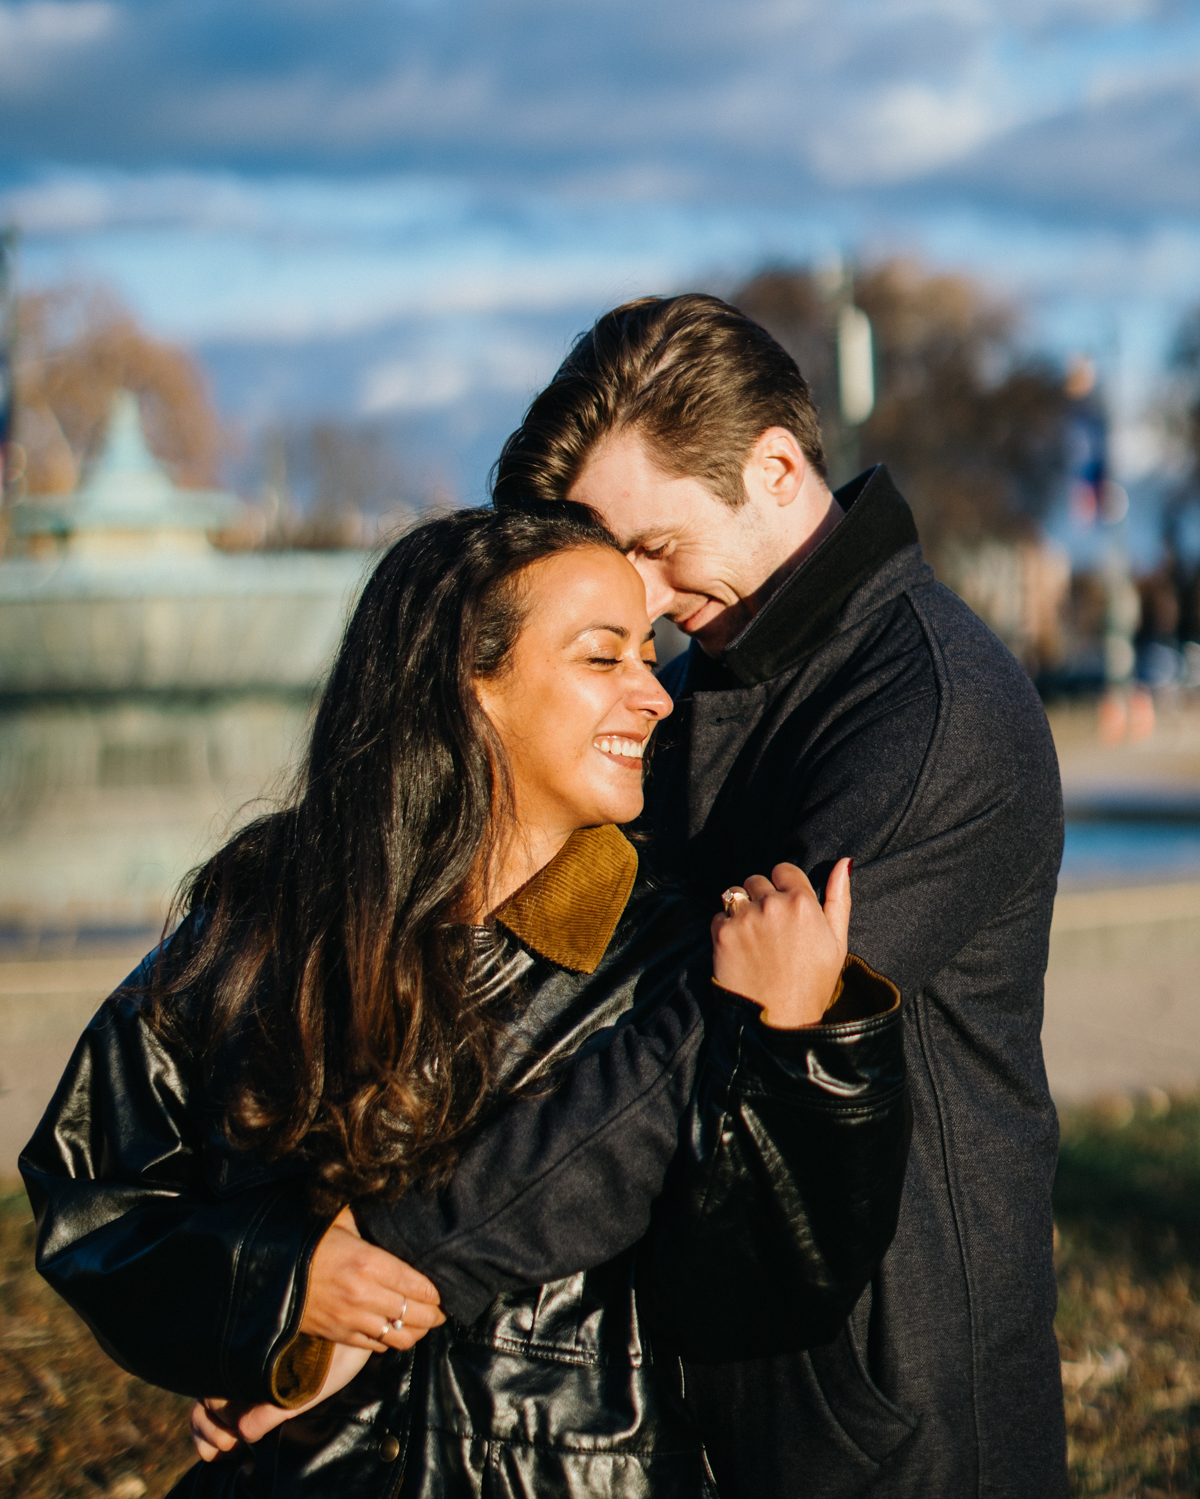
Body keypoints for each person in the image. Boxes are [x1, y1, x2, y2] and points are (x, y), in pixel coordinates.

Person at [22, 504, 907, 1499]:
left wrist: (805, 1047)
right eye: (602, 657)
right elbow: (89, 1194)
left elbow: (764, 1300)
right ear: (466, 682)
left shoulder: (685, 962)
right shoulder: (263, 918)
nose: (656, 696)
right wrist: (276, 1279)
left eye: (647, 655)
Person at [485, 294, 1069, 1499]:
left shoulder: (928, 712)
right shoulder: (706, 687)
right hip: (737, 1383)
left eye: (657, 547)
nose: (646, 599)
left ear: (777, 468)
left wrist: (403, 1267)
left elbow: (677, 1059)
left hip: (892, 1408)